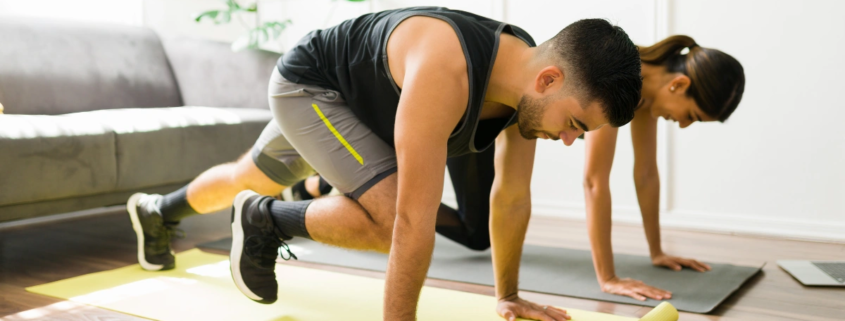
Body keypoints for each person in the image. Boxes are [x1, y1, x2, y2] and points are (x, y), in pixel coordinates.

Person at [127, 7, 643, 320]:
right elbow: (410, 223)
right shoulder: (449, 70)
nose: (571, 140)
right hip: (315, 87)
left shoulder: (525, 88)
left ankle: (157, 211)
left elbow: (510, 198)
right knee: (388, 222)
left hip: (366, 107)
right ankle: (260, 219)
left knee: (251, 175)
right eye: (576, 123)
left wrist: (507, 295)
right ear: (549, 80)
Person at [583, 35, 744, 301]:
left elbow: (646, 174)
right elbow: (594, 181)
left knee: (484, 239)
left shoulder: (646, 93)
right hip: (506, 107)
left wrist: (657, 251)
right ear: (679, 84)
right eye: (691, 116)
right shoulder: (617, 76)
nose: (682, 124)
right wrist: (608, 278)